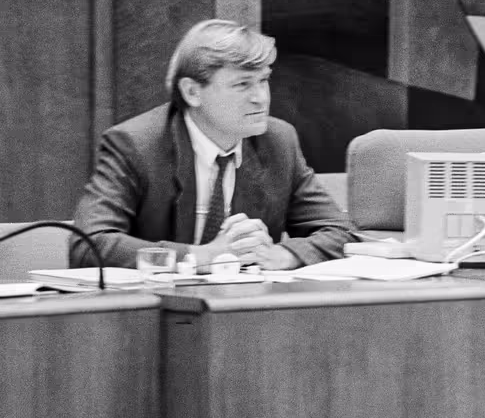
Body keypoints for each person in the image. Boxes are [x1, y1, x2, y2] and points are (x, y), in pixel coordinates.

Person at [70, 19, 357, 270]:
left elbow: (340, 232)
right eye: (242, 85)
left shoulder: (278, 141)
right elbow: (90, 245)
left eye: (264, 80)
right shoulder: (136, 145)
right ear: (192, 92)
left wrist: (284, 255)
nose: (260, 97)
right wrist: (202, 256)